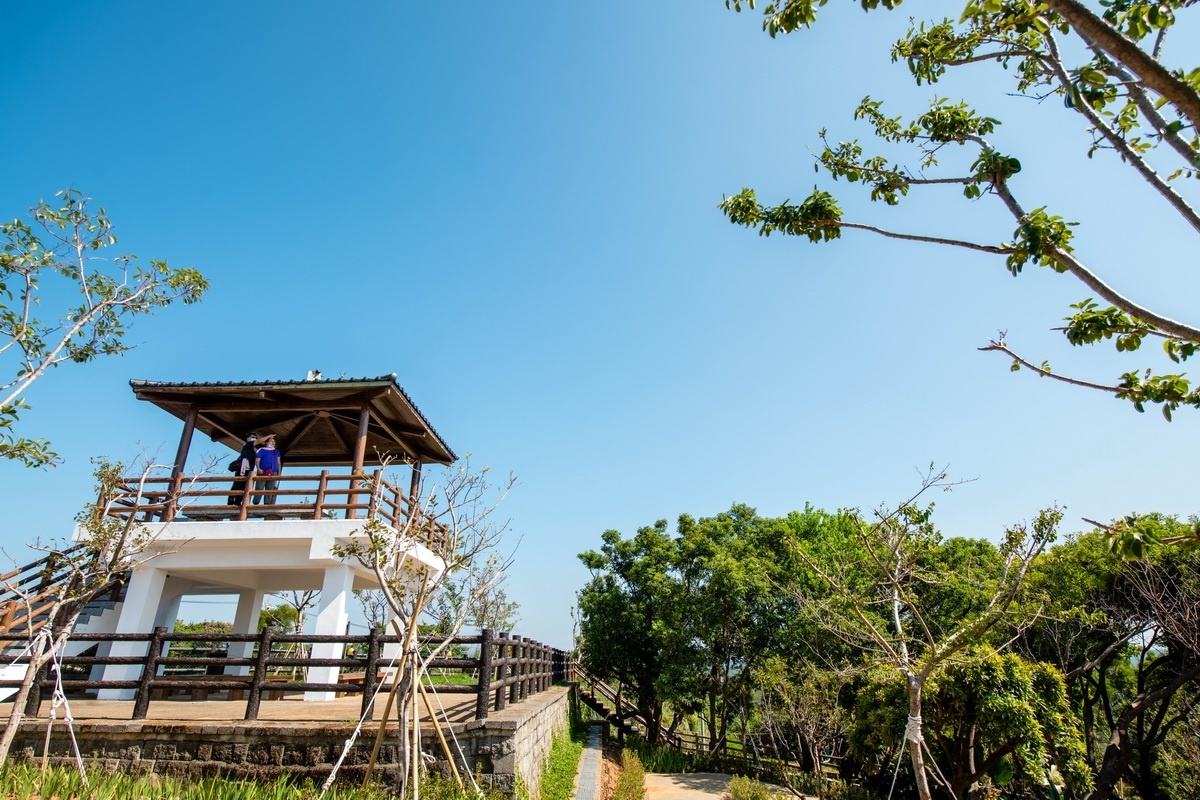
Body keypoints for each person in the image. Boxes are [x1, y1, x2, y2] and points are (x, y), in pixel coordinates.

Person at [227, 433, 259, 505]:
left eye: (255, 438)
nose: (254, 439)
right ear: (248, 438)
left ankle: (238, 501)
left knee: (244, 485)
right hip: (243, 467)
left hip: (249, 469)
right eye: (252, 437)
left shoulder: (253, 450)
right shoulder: (247, 445)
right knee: (238, 484)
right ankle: (231, 501)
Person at [253, 434, 282, 505]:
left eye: (274, 441)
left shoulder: (276, 451)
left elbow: (278, 462)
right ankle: (256, 503)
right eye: (271, 441)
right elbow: (257, 460)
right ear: (266, 443)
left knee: (269, 490)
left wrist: (279, 473)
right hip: (262, 472)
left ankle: (267, 503)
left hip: (273, 472)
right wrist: (258, 469)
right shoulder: (261, 450)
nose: (273, 443)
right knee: (259, 488)